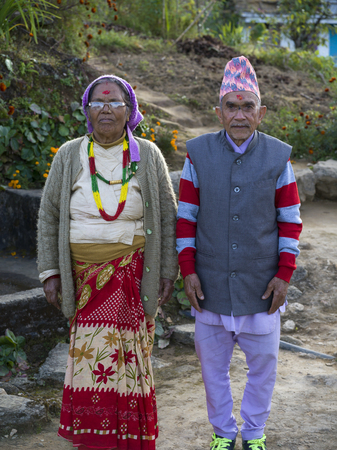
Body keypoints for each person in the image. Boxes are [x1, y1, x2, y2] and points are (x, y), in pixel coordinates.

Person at [37, 74, 178, 450]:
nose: (105, 109)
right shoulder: (70, 154)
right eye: (97, 103)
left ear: (129, 111)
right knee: (90, 357)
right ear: (86, 111)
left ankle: (127, 436)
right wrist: (50, 271)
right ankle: (94, 437)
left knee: (128, 357)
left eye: (114, 102)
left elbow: (166, 214)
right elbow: (50, 214)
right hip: (84, 278)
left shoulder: (148, 155)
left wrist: (167, 271)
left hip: (132, 274)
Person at [176, 56, 302, 450]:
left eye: (248, 106)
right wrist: (187, 270)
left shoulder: (279, 158)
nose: (240, 114)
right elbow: (185, 219)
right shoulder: (197, 155)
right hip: (209, 283)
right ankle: (223, 433)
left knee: (263, 367)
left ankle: (254, 432)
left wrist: (284, 274)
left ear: (261, 112)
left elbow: (290, 221)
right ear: (219, 112)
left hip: (262, 286)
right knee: (213, 369)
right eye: (232, 105)